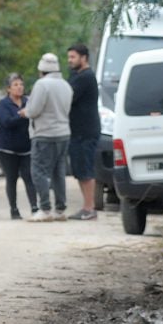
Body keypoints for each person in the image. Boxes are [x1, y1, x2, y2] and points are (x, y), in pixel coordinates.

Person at [18, 53, 73, 222]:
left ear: (41, 69)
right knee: (59, 171)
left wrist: (24, 112)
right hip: (64, 133)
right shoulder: (66, 85)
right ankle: (60, 209)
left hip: (44, 134)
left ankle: (45, 208)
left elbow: (34, 110)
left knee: (38, 171)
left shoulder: (42, 85)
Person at [0, 73, 37, 219]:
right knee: (11, 179)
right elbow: (6, 122)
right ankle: (14, 210)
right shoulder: (3, 104)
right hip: (8, 149)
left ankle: (35, 207)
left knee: (29, 178)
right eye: (15, 85)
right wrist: (21, 115)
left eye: (21, 84)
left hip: (26, 147)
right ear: (8, 89)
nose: (19, 87)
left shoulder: (28, 102)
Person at [67, 43, 100, 220]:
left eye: (73, 57)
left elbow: (67, 96)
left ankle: (90, 208)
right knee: (80, 170)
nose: (69, 61)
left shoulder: (85, 77)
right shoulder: (76, 76)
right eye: (69, 57)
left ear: (84, 57)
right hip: (77, 131)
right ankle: (86, 207)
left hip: (85, 131)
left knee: (86, 170)